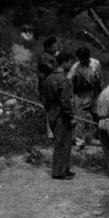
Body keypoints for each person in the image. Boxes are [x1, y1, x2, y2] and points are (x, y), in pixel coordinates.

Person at [42, 51, 76, 180]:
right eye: (70, 62)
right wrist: (70, 116)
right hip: (61, 114)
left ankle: (64, 169)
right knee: (63, 143)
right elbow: (65, 101)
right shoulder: (63, 80)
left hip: (52, 112)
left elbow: (44, 100)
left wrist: (49, 111)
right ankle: (58, 172)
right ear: (65, 62)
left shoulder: (49, 78)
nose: (71, 65)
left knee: (63, 142)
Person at [67, 46, 103, 149]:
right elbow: (69, 81)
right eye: (80, 58)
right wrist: (70, 96)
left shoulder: (95, 64)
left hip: (93, 92)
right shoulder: (75, 67)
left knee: (97, 114)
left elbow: (99, 79)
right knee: (79, 116)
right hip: (80, 94)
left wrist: (101, 93)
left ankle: (100, 136)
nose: (82, 60)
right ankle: (79, 139)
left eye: (84, 58)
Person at [36, 37, 60, 139]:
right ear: (47, 48)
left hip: (53, 87)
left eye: (56, 46)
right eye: (54, 47)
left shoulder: (52, 57)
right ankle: (50, 134)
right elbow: (52, 69)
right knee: (50, 109)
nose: (56, 48)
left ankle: (55, 132)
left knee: (55, 109)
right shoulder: (44, 58)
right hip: (46, 88)